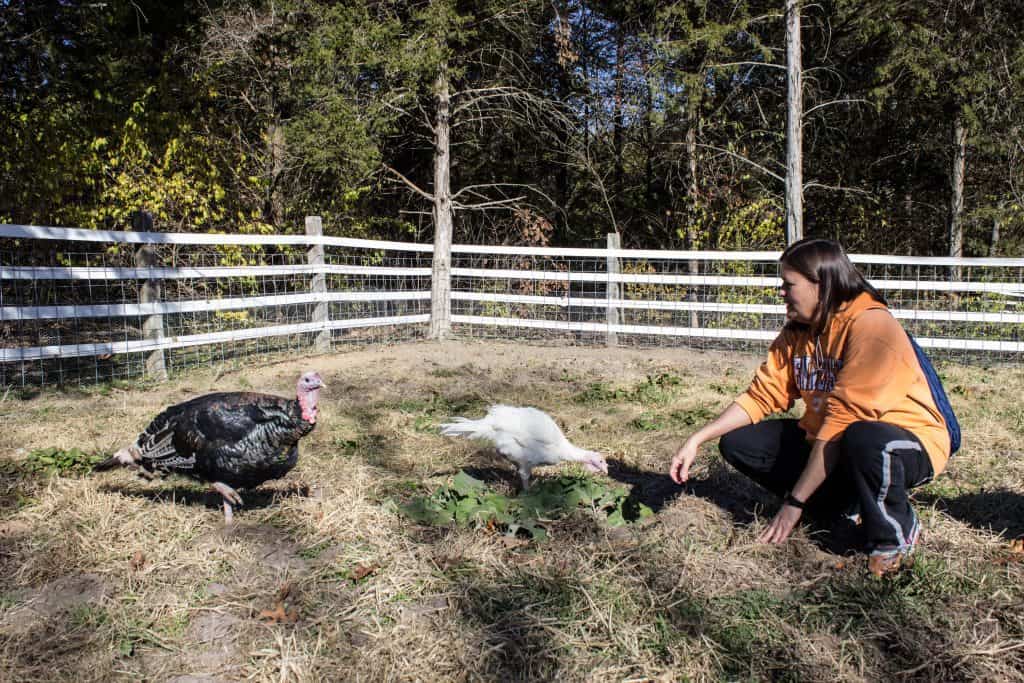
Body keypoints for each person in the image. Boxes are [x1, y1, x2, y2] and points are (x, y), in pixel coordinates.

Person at [669, 238, 951, 576]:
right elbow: (762, 395)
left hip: (904, 442)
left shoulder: (872, 326)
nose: (781, 292)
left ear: (822, 285)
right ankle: (842, 503)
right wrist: (699, 438)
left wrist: (794, 503)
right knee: (739, 443)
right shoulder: (798, 333)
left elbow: (843, 422)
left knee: (862, 437)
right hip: (836, 440)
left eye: (788, 285)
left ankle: (894, 533)